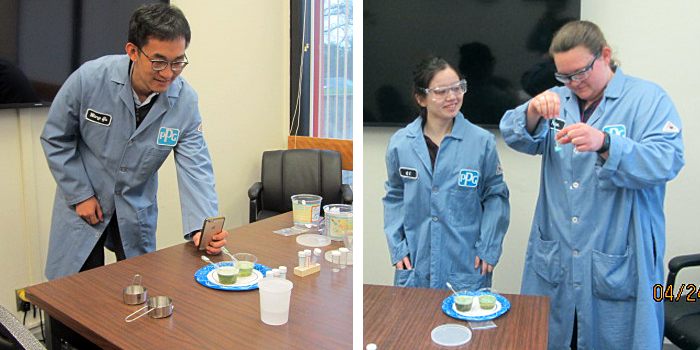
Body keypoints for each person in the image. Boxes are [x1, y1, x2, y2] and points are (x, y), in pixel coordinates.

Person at [500, 20, 684, 349]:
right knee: (555, 337)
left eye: (581, 72)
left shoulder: (647, 99)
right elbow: (515, 134)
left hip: (617, 254)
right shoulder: (558, 100)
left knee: (618, 336)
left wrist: (606, 142)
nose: (573, 83)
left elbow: (667, 159)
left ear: (606, 56)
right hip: (558, 251)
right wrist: (530, 111)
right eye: (564, 76)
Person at [40, 3, 227, 280]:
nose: (168, 73)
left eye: (178, 62)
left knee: (138, 285)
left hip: (135, 206)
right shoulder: (90, 79)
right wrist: (79, 193)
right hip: (85, 201)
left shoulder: (185, 101)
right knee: (73, 292)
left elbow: (195, 167)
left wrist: (204, 227)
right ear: (132, 51)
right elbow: (56, 137)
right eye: (159, 61)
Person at [383, 56, 510, 291]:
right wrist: (398, 247)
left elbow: (496, 197)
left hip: (465, 265)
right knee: (412, 326)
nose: (452, 97)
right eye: (441, 91)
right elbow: (394, 197)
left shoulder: (481, 142)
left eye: (457, 87)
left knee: (464, 325)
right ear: (421, 98)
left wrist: (489, 248)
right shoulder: (401, 144)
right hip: (415, 265)